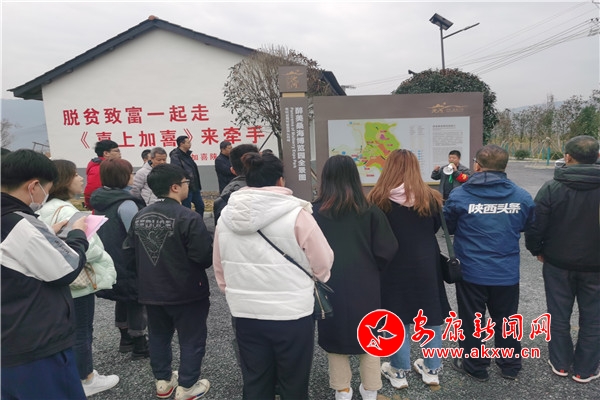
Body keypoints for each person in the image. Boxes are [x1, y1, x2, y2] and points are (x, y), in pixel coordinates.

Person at [213, 152, 334, 400]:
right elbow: (323, 262)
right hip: (292, 313)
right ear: (280, 180)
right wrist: (315, 279)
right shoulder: (298, 214)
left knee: (255, 379)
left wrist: (235, 293)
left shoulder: (227, 216)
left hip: (246, 312)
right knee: (293, 380)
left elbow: (219, 266)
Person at [1, 149, 89, 400]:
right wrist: (78, 235)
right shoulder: (18, 223)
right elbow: (67, 269)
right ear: (33, 186)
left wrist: (46, 233)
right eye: (46, 190)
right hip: (35, 344)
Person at [444, 144, 535, 381]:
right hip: (506, 272)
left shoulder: (460, 195)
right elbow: (526, 225)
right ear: (504, 166)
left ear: (477, 166)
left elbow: (448, 226)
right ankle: (510, 365)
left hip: (471, 271)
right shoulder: (522, 196)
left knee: (472, 320)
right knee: (506, 319)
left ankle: (476, 366)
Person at [312, 155, 398, 400]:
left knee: (335, 334)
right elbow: (388, 248)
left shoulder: (314, 212)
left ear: (326, 179)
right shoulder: (370, 211)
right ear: (354, 177)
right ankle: (370, 389)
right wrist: (373, 268)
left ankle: (342, 390)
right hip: (365, 282)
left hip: (328, 282)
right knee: (370, 333)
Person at [127, 164, 214, 399]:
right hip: (186, 291)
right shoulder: (189, 217)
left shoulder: (140, 216)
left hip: (151, 291)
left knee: (158, 336)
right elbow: (204, 257)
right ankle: (187, 386)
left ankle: (163, 382)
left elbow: (129, 253)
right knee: (191, 338)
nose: (188, 186)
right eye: (186, 183)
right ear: (175, 187)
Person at [367, 149, 450, 389]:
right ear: (415, 168)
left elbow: (373, 234)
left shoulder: (377, 198)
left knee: (397, 316)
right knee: (431, 314)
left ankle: (399, 370)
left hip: (392, 265)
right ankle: (432, 370)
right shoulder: (431, 197)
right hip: (426, 263)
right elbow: (434, 227)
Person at [37, 159, 119, 397]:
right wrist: (100, 251)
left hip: (56, 279)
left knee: (66, 331)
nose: (81, 178)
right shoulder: (67, 211)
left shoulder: (43, 208)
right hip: (77, 282)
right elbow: (85, 247)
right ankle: (86, 378)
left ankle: (71, 375)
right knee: (82, 330)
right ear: (63, 180)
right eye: (74, 174)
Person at [525, 135, 600, 383]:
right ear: (598, 156)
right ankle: (585, 369)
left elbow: (535, 225)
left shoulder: (551, 188)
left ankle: (560, 362)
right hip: (596, 267)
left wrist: (536, 250)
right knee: (594, 318)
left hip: (557, 263)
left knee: (558, 314)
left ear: (567, 157)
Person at [90, 158, 149, 360]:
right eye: (130, 173)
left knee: (122, 299)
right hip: (128, 260)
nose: (133, 176)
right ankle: (140, 345)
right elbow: (137, 235)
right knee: (135, 300)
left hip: (109, 257)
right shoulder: (126, 203)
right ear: (123, 177)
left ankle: (125, 339)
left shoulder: (101, 199)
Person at [213, 143, 259, 224]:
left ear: (233, 170)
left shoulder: (221, 203)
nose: (230, 150)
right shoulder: (272, 195)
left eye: (231, 148)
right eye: (229, 148)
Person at [170, 135, 204, 215]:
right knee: (186, 208)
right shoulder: (176, 156)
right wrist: (184, 183)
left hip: (194, 186)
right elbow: (178, 171)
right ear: (181, 144)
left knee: (200, 206)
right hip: (185, 186)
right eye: (188, 142)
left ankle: (198, 221)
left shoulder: (187, 155)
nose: (190, 144)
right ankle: (187, 222)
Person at [84, 139, 120, 210]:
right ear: (106, 153)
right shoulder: (99, 168)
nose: (120, 153)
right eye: (116, 151)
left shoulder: (109, 166)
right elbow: (91, 191)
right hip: (104, 209)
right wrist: (90, 205)